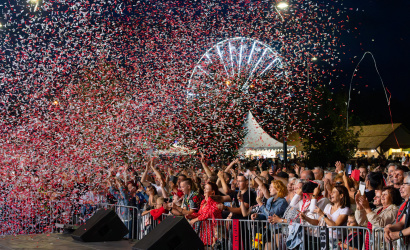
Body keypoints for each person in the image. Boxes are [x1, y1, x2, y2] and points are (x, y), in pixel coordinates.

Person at [187, 182, 222, 248]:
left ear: (212, 192)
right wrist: (192, 215)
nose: (204, 190)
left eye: (207, 189)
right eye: (204, 188)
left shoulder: (216, 202)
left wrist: (196, 219)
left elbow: (209, 214)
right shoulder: (203, 202)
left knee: (212, 247)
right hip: (204, 228)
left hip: (213, 229)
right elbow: (200, 213)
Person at [384, 173, 410, 249]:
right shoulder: (409, 202)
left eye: (404, 184)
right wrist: (390, 227)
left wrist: (399, 234)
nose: (401, 187)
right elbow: (403, 222)